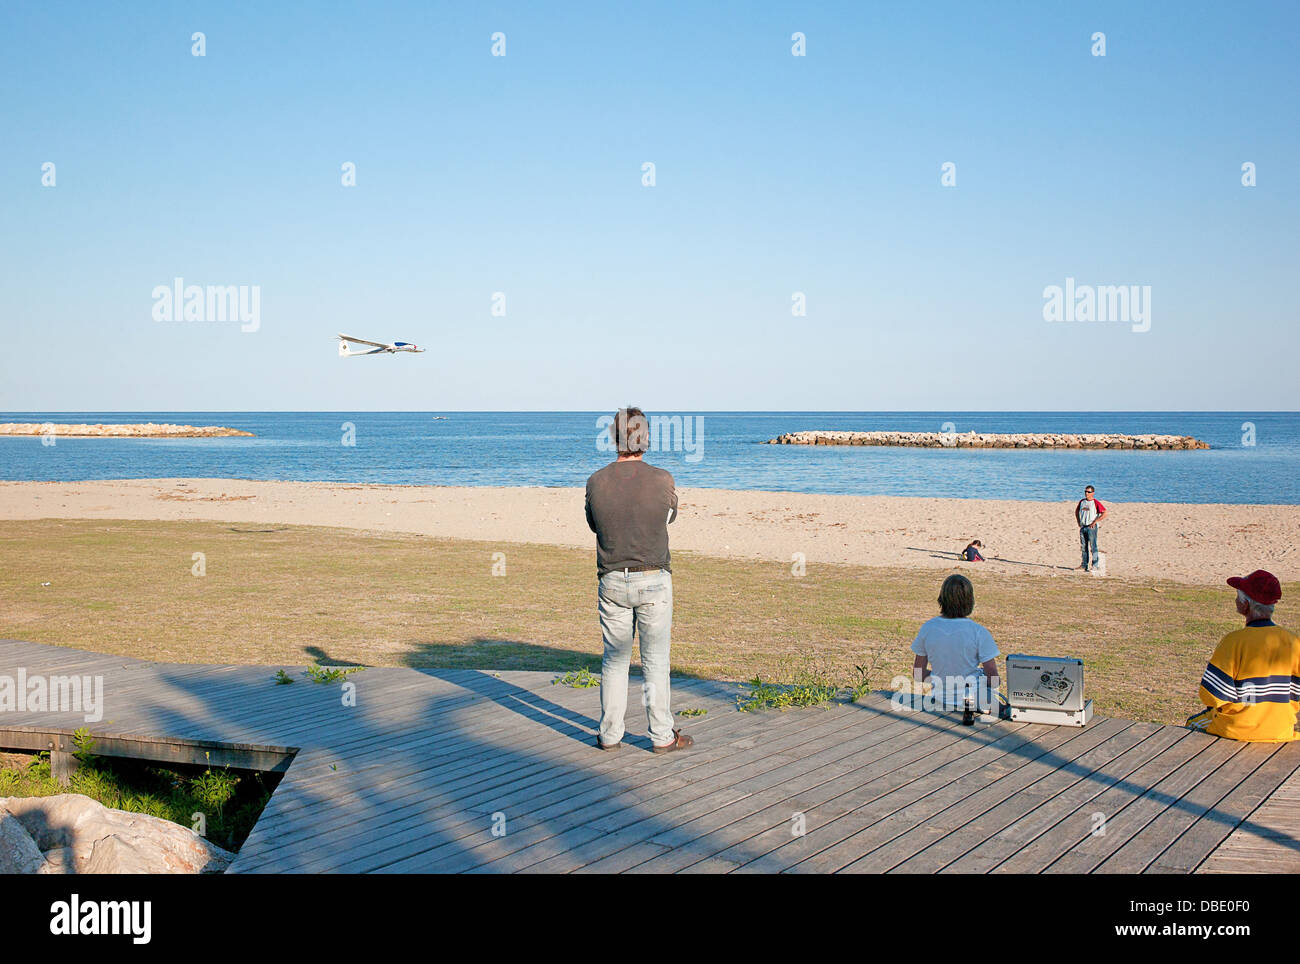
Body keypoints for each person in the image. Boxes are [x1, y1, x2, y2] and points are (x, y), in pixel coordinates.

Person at [584, 407, 693, 754]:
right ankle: (662, 735)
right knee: (656, 661)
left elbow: (593, 523)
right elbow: (670, 516)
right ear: (645, 438)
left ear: (613, 438)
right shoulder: (663, 479)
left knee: (614, 661)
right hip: (654, 577)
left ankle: (610, 734)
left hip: (612, 578)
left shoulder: (596, 481)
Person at [1187, 570, 1300, 742]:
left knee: (1191, 724)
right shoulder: (1294, 642)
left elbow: (1210, 696)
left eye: (1238, 597)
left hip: (1236, 730)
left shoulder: (1233, 642)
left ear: (1245, 605)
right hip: (1281, 730)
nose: (1235, 600)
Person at [911, 573, 1001, 713]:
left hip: (940, 699)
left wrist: (941, 679)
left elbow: (918, 673)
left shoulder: (928, 628)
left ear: (942, 599)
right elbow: (994, 679)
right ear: (970, 601)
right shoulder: (978, 632)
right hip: (973, 701)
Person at [1074, 485, 1107, 572]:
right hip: (1083, 526)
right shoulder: (1082, 502)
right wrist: (1078, 521)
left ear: (1093, 493)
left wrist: (1095, 522)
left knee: (1093, 546)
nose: (1086, 493)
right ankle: (1084, 565)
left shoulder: (1095, 502)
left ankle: (1095, 565)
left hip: (1091, 527)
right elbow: (1077, 511)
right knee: (1084, 547)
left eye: (1088, 492)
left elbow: (1104, 513)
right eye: (1085, 491)